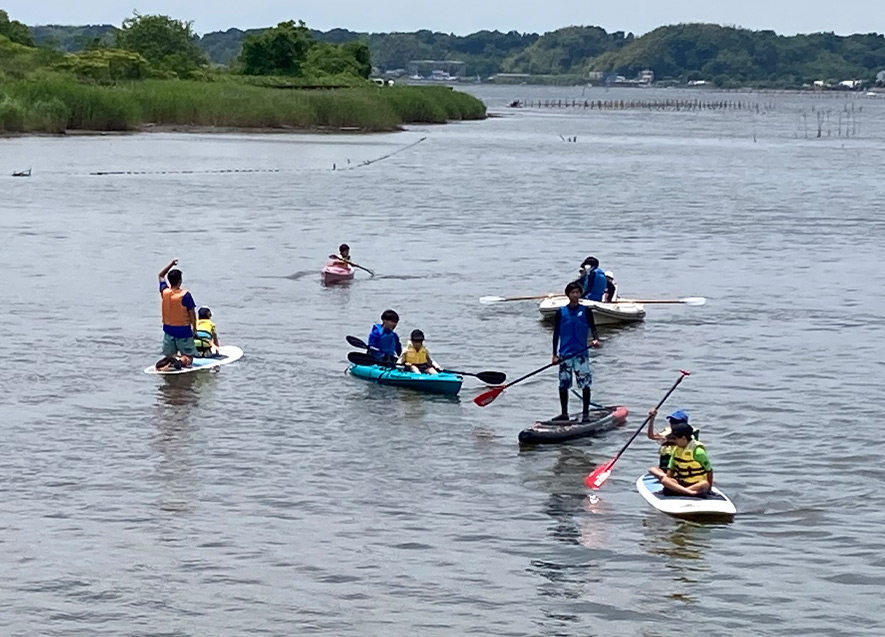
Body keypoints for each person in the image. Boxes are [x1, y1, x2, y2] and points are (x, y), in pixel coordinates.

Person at [552, 282, 600, 422]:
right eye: (573, 293)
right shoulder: (561, 312)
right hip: (565, 354)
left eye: (578, 293)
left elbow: (593, 328)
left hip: (581, 354)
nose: (575, 295)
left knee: (585, 384)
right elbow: (556, 334)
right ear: (568, 295)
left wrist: (596, 340)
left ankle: (585, 414)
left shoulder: (586, 311)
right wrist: (554, 355)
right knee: (563, 384)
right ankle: (564, 413)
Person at [649, 420, 713, 497]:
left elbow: (709, 471)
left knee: (705, 484)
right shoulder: (676, 450)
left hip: (696, 483)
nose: (674, 441)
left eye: (675, 439)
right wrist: (669, 483)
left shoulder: (698, 451)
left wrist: (710, 489)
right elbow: (671, 470)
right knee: (665, 480)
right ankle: (690, 493)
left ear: (683, 438)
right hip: (681, 483)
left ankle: (679, 491)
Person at [157, 259, 197, 368]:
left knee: (169, 354)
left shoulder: (164, 292)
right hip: (183, 330)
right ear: (180, 281)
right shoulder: (185, 295)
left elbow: (160, 275)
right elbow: (192, 314)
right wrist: (194, 329)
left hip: (168, 329)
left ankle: (170, 360)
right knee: (189, 356)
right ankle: (182, 361)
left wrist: (171, 263)